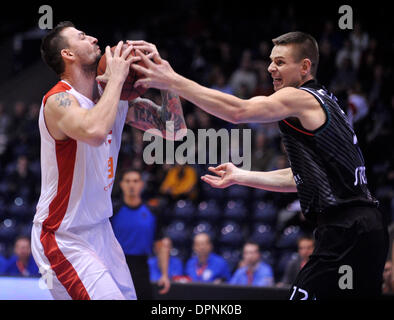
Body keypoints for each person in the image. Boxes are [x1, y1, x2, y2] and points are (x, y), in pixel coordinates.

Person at [131, 32, 388, 299]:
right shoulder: (324, 102)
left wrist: (171, 79)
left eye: (279, 62)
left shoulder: (300, 97)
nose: (270, 68)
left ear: (304, 67)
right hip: (364, 229)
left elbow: (238, 111)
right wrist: (241, 175)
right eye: (270, 61)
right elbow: (300, 178)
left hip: (347, 230)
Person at [31, 22, 186, 300]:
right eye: (82, 36)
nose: (93, 37)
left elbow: (175, 130)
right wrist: (116, 79)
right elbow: (94, 131)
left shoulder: (112, 98)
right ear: (68, 54)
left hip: (101, 232)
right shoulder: (59, 101)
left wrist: (166, 79)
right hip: (64, 235)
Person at [111, 169, 170, 299]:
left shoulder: (152, 211)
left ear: (141, 184)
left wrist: (164, 275)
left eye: (135, 181)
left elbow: (161, 244)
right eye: (127, 181)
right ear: (121, 185)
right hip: (117, 268)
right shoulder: (112, 211)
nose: (131, 185)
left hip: (142, 267)